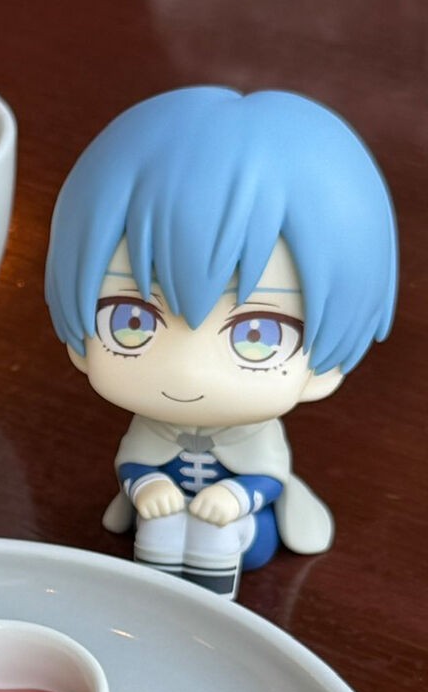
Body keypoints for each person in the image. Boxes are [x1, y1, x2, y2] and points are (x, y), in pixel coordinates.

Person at [44, 87, 397, 596]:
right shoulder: (152, 427)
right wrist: (148, 486)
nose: (186, 371)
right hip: (159, 520)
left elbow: (268, 478)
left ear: (322, 368)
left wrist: (234, 498)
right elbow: (134, 463)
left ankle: (210, 610)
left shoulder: (254, 437)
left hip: (244, 529)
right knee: (160, 529)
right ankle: (159, 604)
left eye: (258, 335)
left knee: (218, 536)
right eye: (132, 320)